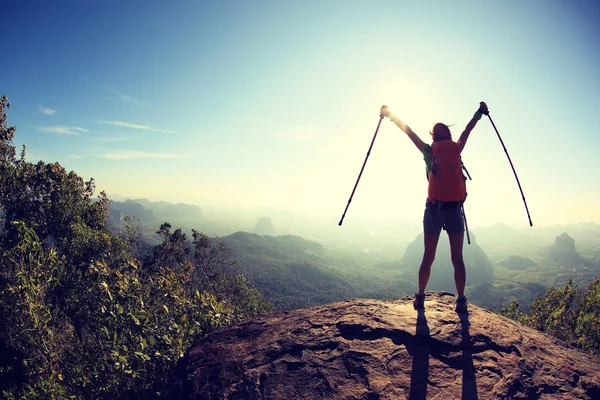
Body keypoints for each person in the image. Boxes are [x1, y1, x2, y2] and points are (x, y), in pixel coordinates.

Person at [380, 102, 489, 313]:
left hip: (434, 209)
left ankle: (420, 297)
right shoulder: (456, 148)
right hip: (455, 209)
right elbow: (468, 129)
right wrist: (479, 112)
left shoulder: (429, 151)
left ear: (433, 136)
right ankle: (461, 300)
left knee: (428, 256)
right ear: (447, 135)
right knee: (457, 258)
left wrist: (390, 115)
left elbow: (408, 132)